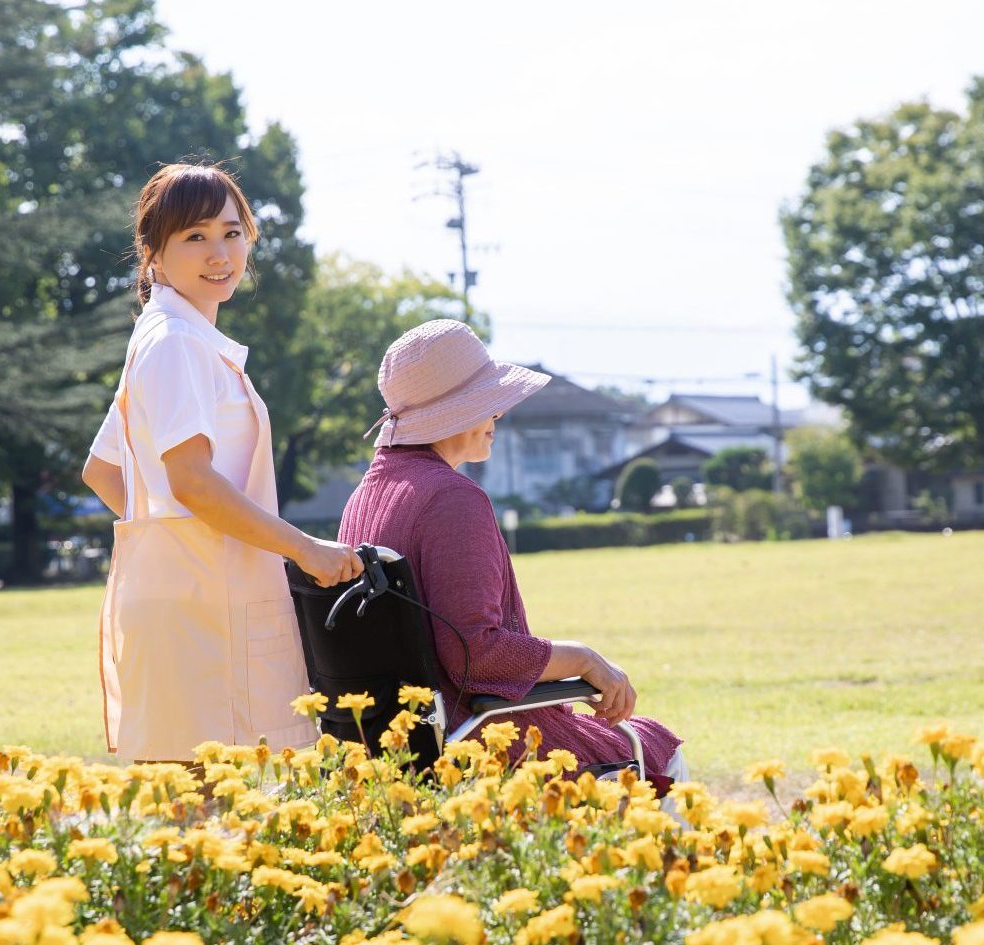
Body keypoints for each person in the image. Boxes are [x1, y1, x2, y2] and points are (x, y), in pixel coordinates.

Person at [81, 163, 361, 763]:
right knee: (204, 811)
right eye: (195, 236)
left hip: (184, 603)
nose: (220, 253)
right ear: (153, 255)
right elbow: (193, 483)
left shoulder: (169, 336)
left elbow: (105, 472)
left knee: (197, 809)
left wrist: (186, 545)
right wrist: (301, 548)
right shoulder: (177, 343)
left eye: (232, 233)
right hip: (200, 617)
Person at [337, 320, 685, 786]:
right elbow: (477, 656)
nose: (497, 415)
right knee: (658, 749)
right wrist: (584, 658)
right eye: (487, 402)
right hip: (479, 737)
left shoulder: (366, 494)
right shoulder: (451, 499)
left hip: (398, 742)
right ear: (453, 412)